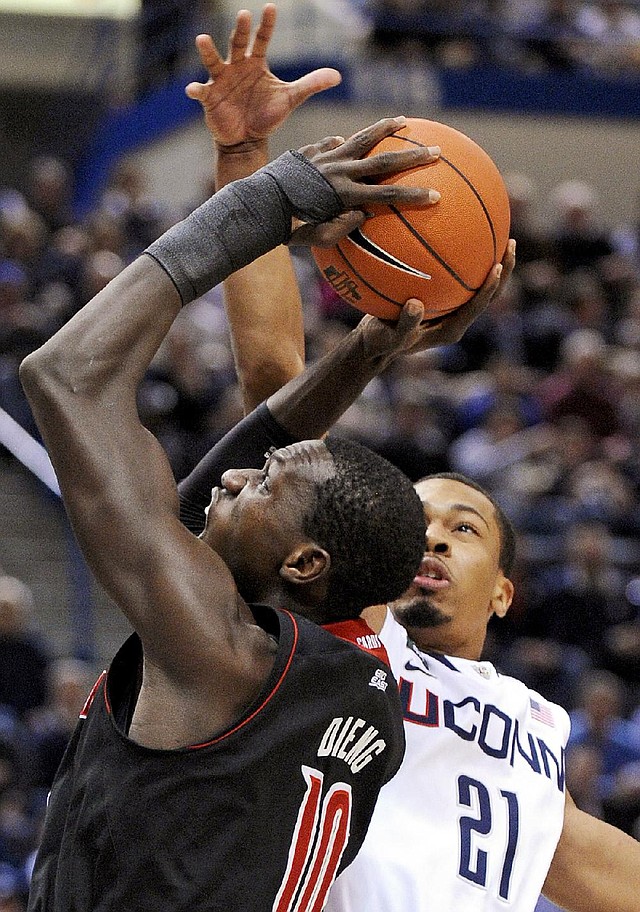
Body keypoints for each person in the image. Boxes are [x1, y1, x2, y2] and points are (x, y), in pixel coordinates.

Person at [172, 10, 640, 912]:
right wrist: (248, 160)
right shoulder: (347, 625)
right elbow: (276, 387)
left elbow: (602, 869)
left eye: (463, 528)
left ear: (504, 589)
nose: (430, 534)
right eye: (415, 518)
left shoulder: (535, 726)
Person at [18, 23, 461, 905]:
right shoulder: (359, 688)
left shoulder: (216, 654)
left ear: (303, 563)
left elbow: (63, 376)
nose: (230, 474)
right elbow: (219, 497)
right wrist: (369, 348)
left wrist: (270, 196)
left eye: (259, 486)